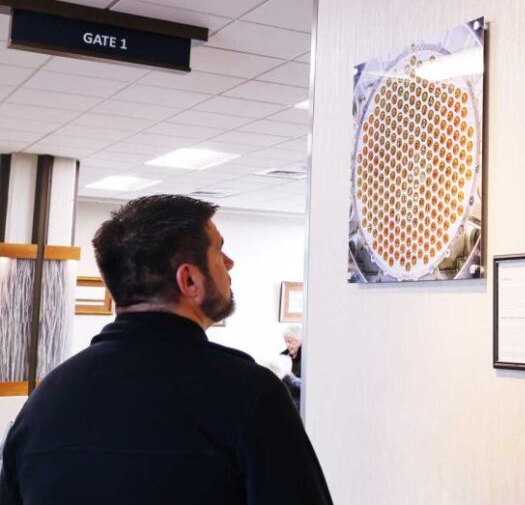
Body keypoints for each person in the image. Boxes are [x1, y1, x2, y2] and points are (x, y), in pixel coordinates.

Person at [0, 195, 333, 504]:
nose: (229, 263)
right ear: (188, 280)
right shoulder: (249, 395)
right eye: (219, 251)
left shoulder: (44, 402)